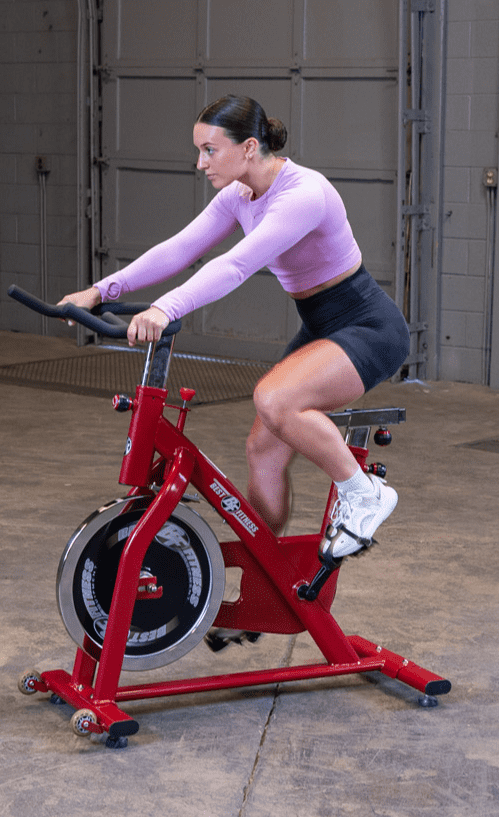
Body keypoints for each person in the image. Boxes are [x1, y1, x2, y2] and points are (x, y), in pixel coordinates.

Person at [59, 94, 409, 566]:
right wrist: (99, 290)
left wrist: (165, 307)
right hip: (321, 326)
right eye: (199, 150)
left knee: (275, 400)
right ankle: (267, 570)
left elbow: (236, 265)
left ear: (248, 147)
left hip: (368, 326)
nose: (200, 162)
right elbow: (179, 249)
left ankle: (364, 494)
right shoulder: (239, 196)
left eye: (210, 150)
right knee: (262, 449)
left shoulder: (304, 193)